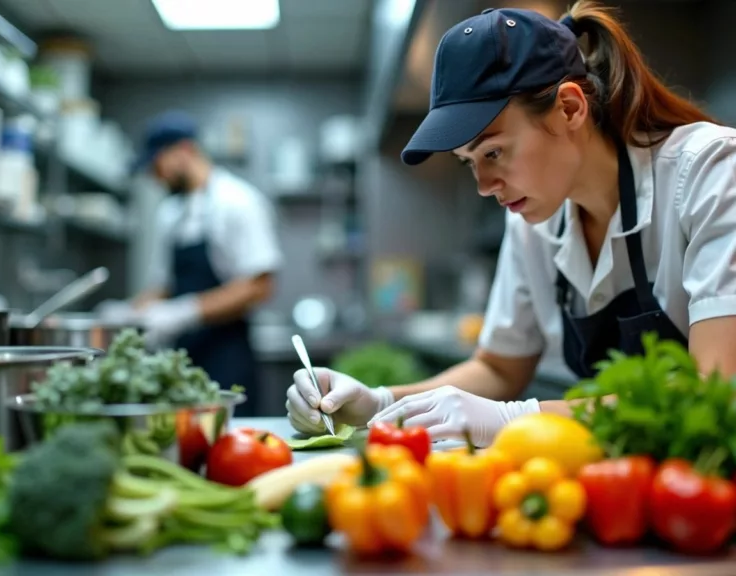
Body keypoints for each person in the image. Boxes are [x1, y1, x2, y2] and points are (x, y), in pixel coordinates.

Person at [286, 0, 736, 445]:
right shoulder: (534, 221)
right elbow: (500, 368)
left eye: (494, 152)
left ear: (570, 108)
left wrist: (515, 417)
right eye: (468, 163)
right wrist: (381, 405)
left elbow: (716, 390)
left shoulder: (711, 172)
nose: (484, 186)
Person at [110, 110, 283, 416]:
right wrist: (128, 312)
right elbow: (164, 285)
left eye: (156, 164)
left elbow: (258, 286)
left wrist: (185, 311)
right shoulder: (170, 212)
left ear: (185, 151)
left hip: (227, 356)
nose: (154, 175)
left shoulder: (237, 201)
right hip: (181, 359)